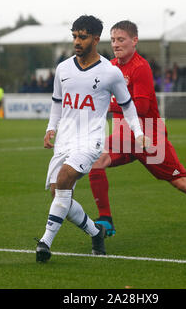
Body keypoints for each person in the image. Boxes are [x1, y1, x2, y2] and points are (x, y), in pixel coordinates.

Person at [88, 20, 186, 243]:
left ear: (134, 41)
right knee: (95, 160)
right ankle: (106, 219)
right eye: (112, 40)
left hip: (149, 135)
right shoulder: (110, 67)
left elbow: (140, 107)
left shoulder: (141, 68)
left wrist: (109, 105)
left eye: (121, 39)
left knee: (182, 183)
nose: (116, 44)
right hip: (123, 133)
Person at [36, 15, 148, 263]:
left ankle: (45, 242)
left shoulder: (110, 72)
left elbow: (127, 105)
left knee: (65, 178)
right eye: (74, 36)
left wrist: (139, 134)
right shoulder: (63, 69)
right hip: (65, 138)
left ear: (96, 39)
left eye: (82, 36)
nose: (77, 41)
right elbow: (57, 102)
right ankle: (96, 232)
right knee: (59, 195)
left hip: (91, 139)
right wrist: (50, 129)